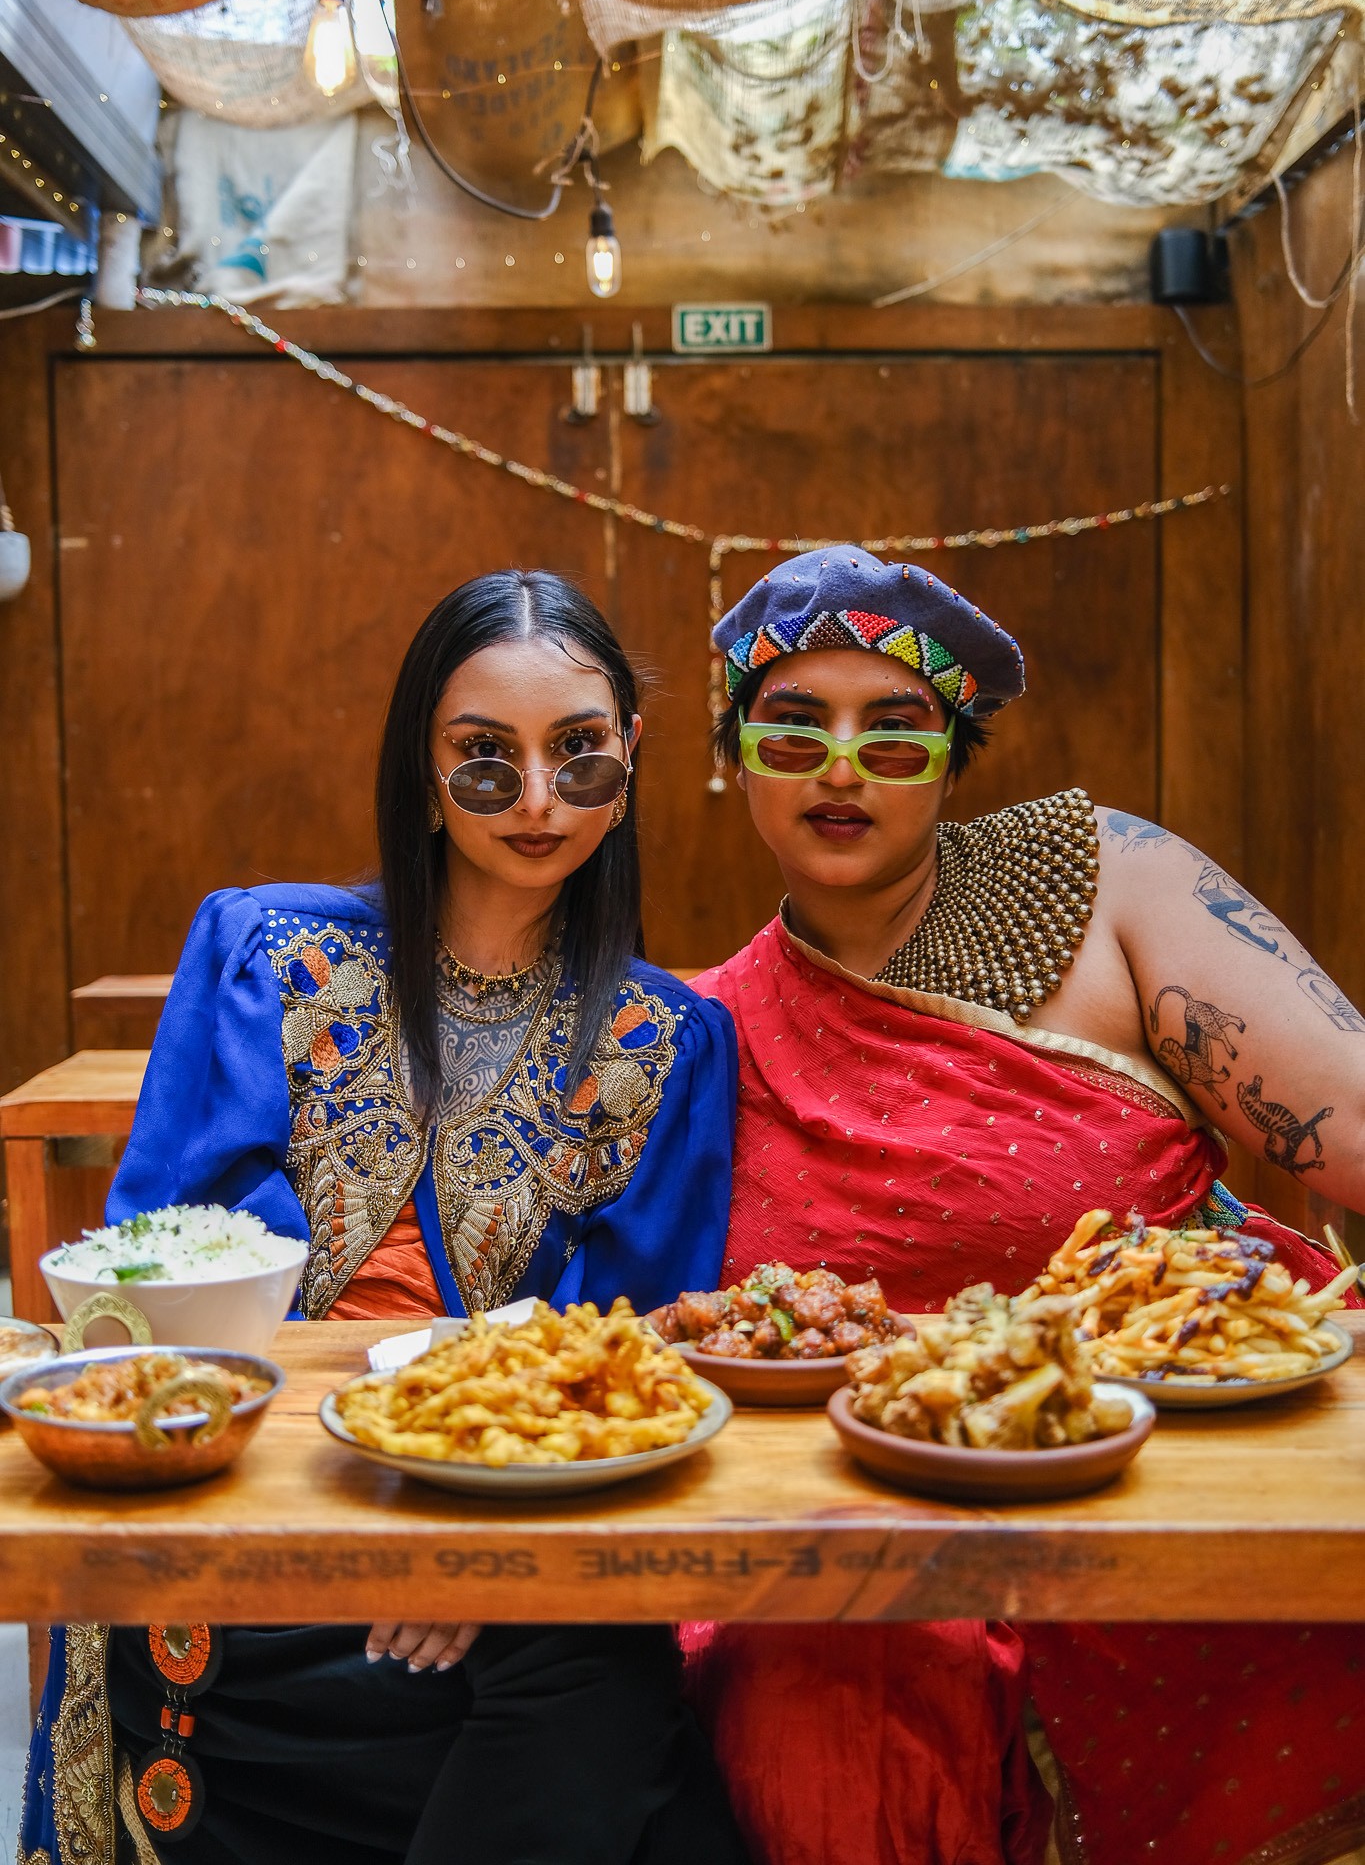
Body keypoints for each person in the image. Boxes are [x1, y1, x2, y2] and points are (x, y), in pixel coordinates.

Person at [22, 570, 748, 1865]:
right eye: (485, 762)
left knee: (605, 1683)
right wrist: (382, 1522)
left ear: (629, 761)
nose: (536, 800)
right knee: (613, 1721)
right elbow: (170, 1286)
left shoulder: (668, 1045)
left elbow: (622, 1368)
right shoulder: (269, 958)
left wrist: (463, 1538)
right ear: (419, 771)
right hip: (255, 1536)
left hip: (506, 1568)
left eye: (577, 757)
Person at [685, 545, 1365, 1865]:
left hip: (1192, 1446)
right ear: (737, 759)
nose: (839, 770)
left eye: (894, 735)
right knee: (818, 1718)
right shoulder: (702, 1031)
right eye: (793, 732)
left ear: (950, 756)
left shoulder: (1111, 886)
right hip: (858, 1519)